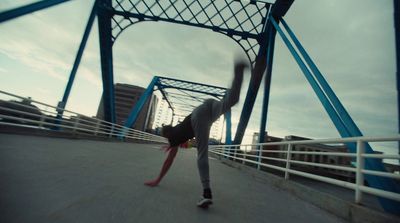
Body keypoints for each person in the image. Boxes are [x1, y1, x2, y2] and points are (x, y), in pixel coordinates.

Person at [144, 58, 249, 208]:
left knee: (202, 154)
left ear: (166, 135)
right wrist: (171, 145)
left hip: (200, 116)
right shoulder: (176, 131)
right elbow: (178, 140)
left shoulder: (173, 137)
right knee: (231, 101)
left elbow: (169, 160)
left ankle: (206, 193)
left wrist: (158, 179)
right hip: (208, 106)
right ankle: (238, 72)